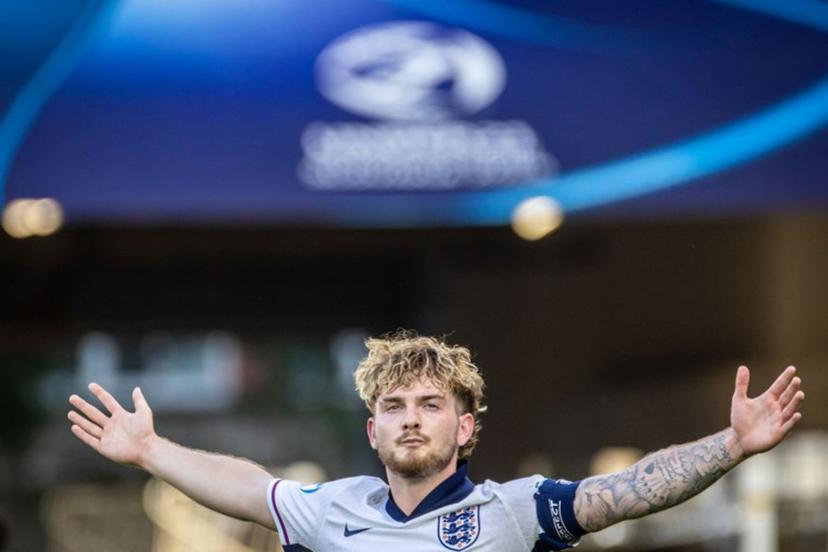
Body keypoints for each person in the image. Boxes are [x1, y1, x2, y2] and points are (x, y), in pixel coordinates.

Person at [68, 332, 805, 551]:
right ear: (373, 428)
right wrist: (150, 452)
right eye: (394, 406)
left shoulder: (514, 511)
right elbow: (246, 488)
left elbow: (630, 490)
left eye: (430, 404)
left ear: (466, 426)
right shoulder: (334, 512)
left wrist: (730, 448)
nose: (411, 417)